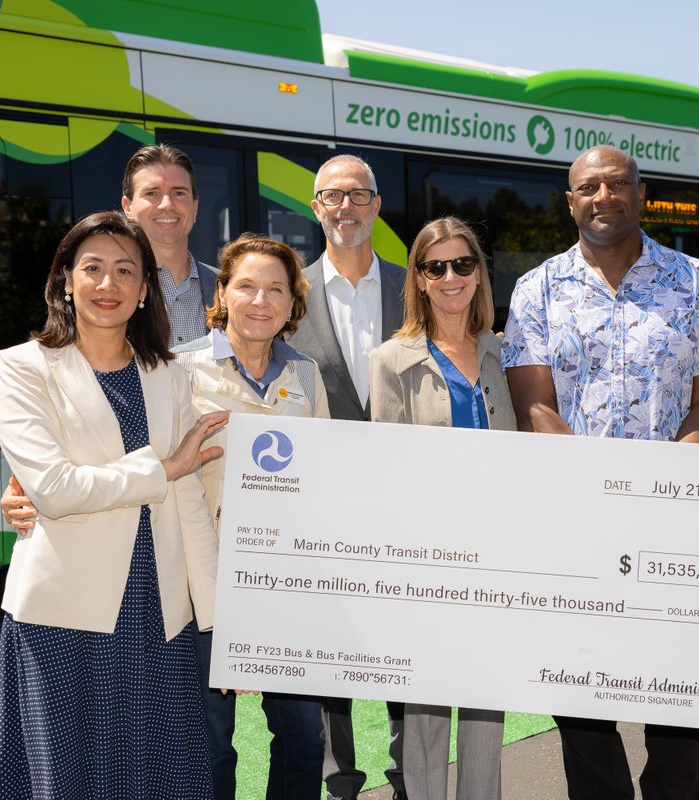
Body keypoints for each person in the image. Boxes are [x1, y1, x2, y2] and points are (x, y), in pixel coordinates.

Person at [501, 145, 699, 800]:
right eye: (587, 187)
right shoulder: (537, 289)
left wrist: (676, 478)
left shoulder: (696, 282)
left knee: (680, 695)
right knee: (579, 695)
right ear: (570, 200)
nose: (602, 196)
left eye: (615, 184)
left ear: (640, 193)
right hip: (575, 525)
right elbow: (534, 402)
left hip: (677, 523)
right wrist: (593, 495)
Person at [0, 211, 228, 799]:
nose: (108, 284)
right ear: (65, 279)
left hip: (157, 613)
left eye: (126, 271)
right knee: (69, 780)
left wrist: (223, 623)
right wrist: (163, 469)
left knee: (164, 779)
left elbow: (189, 501)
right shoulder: (22, 367)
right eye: (92, 268)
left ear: (146, 290)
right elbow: (55, 488)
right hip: (61, 616)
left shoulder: (170, 374)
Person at [175, 232, 331, 800]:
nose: (260, 300)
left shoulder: (308, 376)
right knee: (212, 744)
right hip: (205, 587)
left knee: (302, 738)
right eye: (246, 286)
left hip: (284, 589)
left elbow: (323, 481)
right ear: (223, 292)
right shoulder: (179, 371)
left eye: (276, 289)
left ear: (293, 303)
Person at [369, 217, 513, 800]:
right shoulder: (390, 360)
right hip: (428, 557)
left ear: (479, 274)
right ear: (419, 280)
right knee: (425, 716)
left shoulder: (507, 352)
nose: (451, 277)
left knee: (486, 709)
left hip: (500, 555)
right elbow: (388, 472)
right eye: (437, 267)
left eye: (463, 264)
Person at [288, 153, 409, 800]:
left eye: (357, 195)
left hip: (402, 505)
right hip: (321, 504)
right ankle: (340, 776)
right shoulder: (288, 294)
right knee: (329, 642)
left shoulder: (413, 287)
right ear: (316, 208)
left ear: (376, 205)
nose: (345, 207)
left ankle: (404, 770)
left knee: (398, 642)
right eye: (331, 197)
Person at [120, 143, 219, 346]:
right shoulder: (108, 290)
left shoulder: (228, 288)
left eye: (179, 193)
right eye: (152, 193)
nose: (167, 204)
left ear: (195, 207)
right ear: (127, 207)